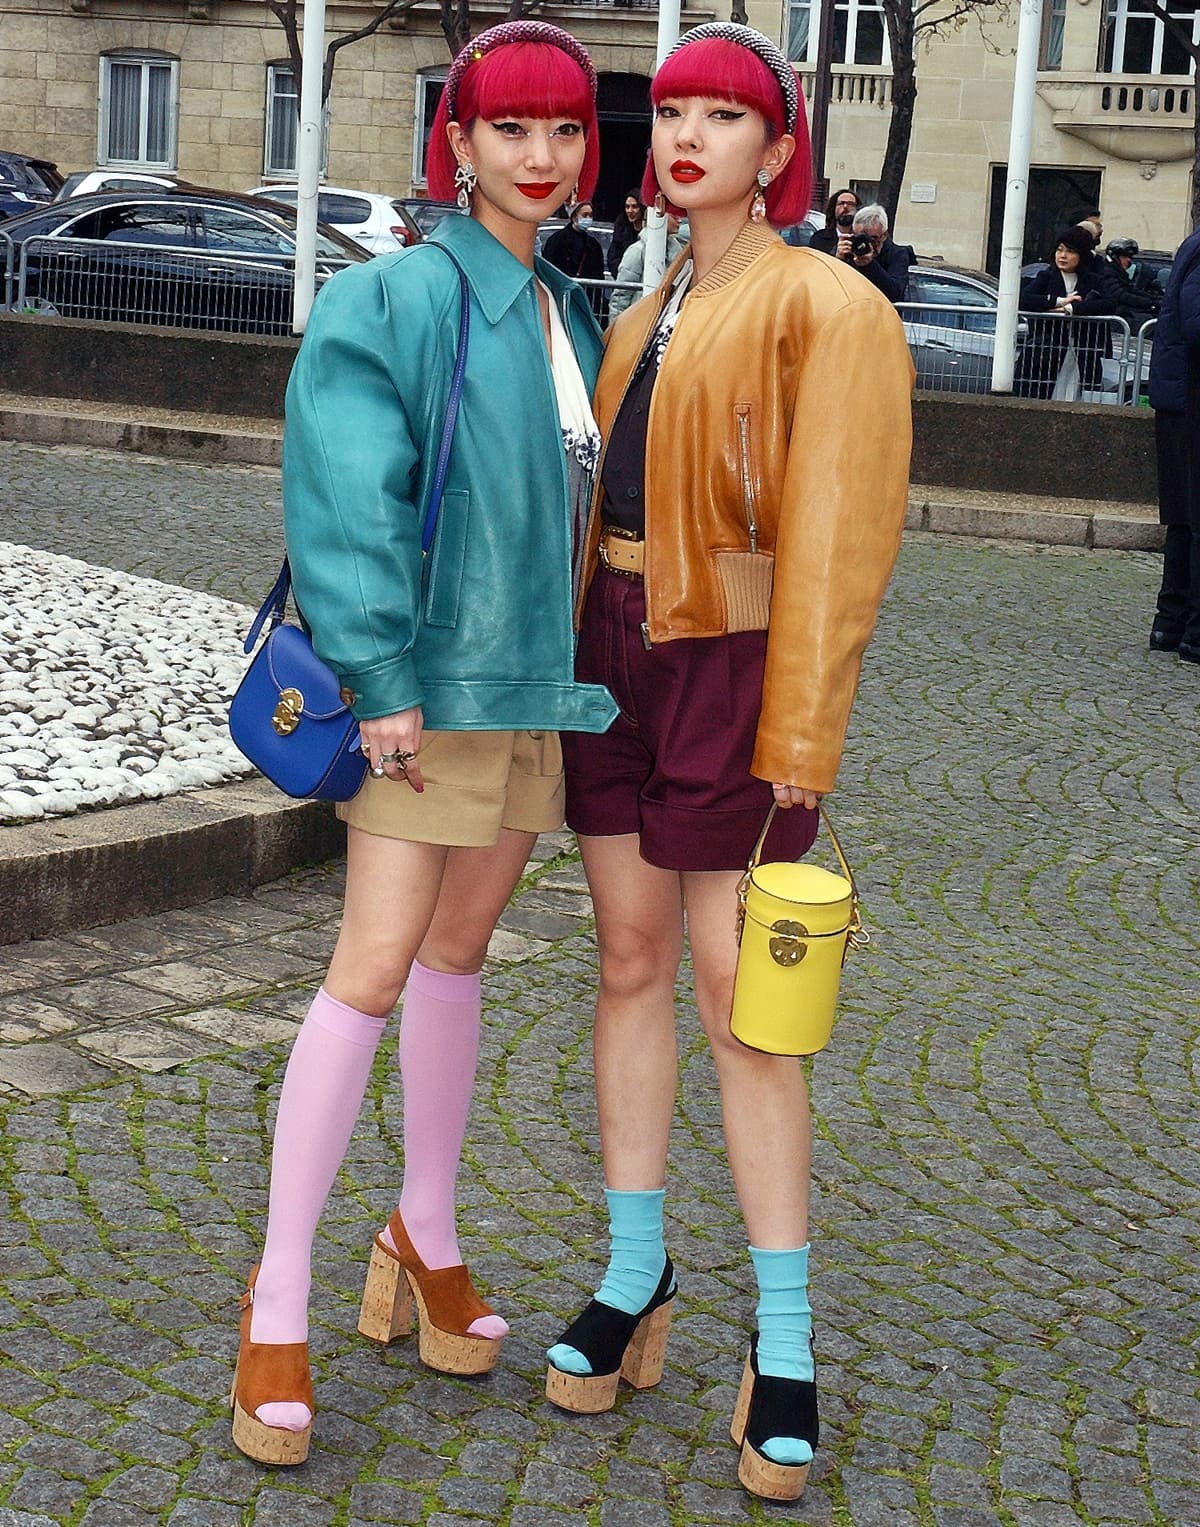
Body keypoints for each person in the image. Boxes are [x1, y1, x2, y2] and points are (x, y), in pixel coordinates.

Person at [230, 20, 617, 1468]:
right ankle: (279, 1296)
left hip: (531, 700)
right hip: (424, 701)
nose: (540, 154)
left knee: (456, 961)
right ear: (457, 144)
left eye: (565, 130)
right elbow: (343, 491)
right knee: (372, 968)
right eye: (511, 127)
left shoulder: (570, 314)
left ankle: (424, 1231)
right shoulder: (392, 297)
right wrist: (382, 670)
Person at [545, 22, 913, 1504]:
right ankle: (638, 1272)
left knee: (741, 999)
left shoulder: (829, 308)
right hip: (614, 649)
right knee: (628, 964)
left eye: (725, 113)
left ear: (779, 148)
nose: (687, 133)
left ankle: (788, 1339)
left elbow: (840, 538)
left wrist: (802, 741)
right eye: (675, 110)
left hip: (735, 664)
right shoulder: (652, 308)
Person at [1147, 225, 1200, 662]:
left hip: (1180, 398)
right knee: (1191, 521)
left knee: (1185, 521)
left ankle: (1172, 624)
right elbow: (1196, 321)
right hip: (1189, 400)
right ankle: (1190, 631)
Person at [1014, 226, 1114, 399]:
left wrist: (1072, 309)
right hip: (1047, 353)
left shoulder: (1093, 280)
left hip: (1082, 351)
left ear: (1081, 255)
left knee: (1080, 397)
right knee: (1041, 395)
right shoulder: (1046, 276)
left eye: (1070, 251)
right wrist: (1059, 301)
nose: (1063, 256)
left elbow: (1109, 304)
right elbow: (1024, 299)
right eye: (1059, 250)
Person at [607, 212, 688, 322]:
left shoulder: (678, 253)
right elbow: (621, 294)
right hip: (636, 320)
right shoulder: (636, 251)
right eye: (674, 216)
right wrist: (615, 326)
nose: (679, 220)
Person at [836, 203, 913, 304]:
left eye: (872, 239)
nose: (866, 244)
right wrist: (837, 260)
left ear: (884, 236)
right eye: (861, 237)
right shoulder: (848, 251)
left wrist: (869, 265)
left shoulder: (897, 254)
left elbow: (895, 294)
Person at [543, 199, 606, 317]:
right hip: (560, 298)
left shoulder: (593, 244)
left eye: (590, 215)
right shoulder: (556, 240)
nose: (588, 219)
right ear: (574, 217)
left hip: (586, 300)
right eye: (584, 215)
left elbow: (598, 277)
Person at [1100, 237, 1161, 329]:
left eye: (1130, 257)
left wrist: (1155, 299)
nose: (1129, 260)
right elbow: (1120, 294)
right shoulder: (1107, 271)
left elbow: (1131, 290)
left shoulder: (1118, 272)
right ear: (1115, 256)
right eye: (1125, 256)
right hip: (1115, 320)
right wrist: (1149, 303)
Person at [809, 185, 859, 255]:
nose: (845, 207)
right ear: (833, 209)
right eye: (841, 203)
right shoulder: (819, 239)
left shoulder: (863, 238)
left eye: (850, 204)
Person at [607, 188, 645, 276]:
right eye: (627, 207)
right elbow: (613, 256)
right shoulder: (621, 226)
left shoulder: (652, 228)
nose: (630, 211)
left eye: (634, 207)